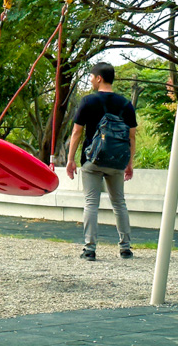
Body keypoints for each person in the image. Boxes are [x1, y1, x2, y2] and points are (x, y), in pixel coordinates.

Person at [65, 62, 137, 261]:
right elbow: (132, 137)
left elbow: (77, 132)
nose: (90, 80)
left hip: (92, 160)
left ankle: (90, 249)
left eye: (91, 77)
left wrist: (70, 159)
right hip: (117, 162)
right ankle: (125, 248)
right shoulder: (126, 104)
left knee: (91, 204)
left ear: (99, 78)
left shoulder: (88, 101)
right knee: (119, 204)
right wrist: (129, 163)